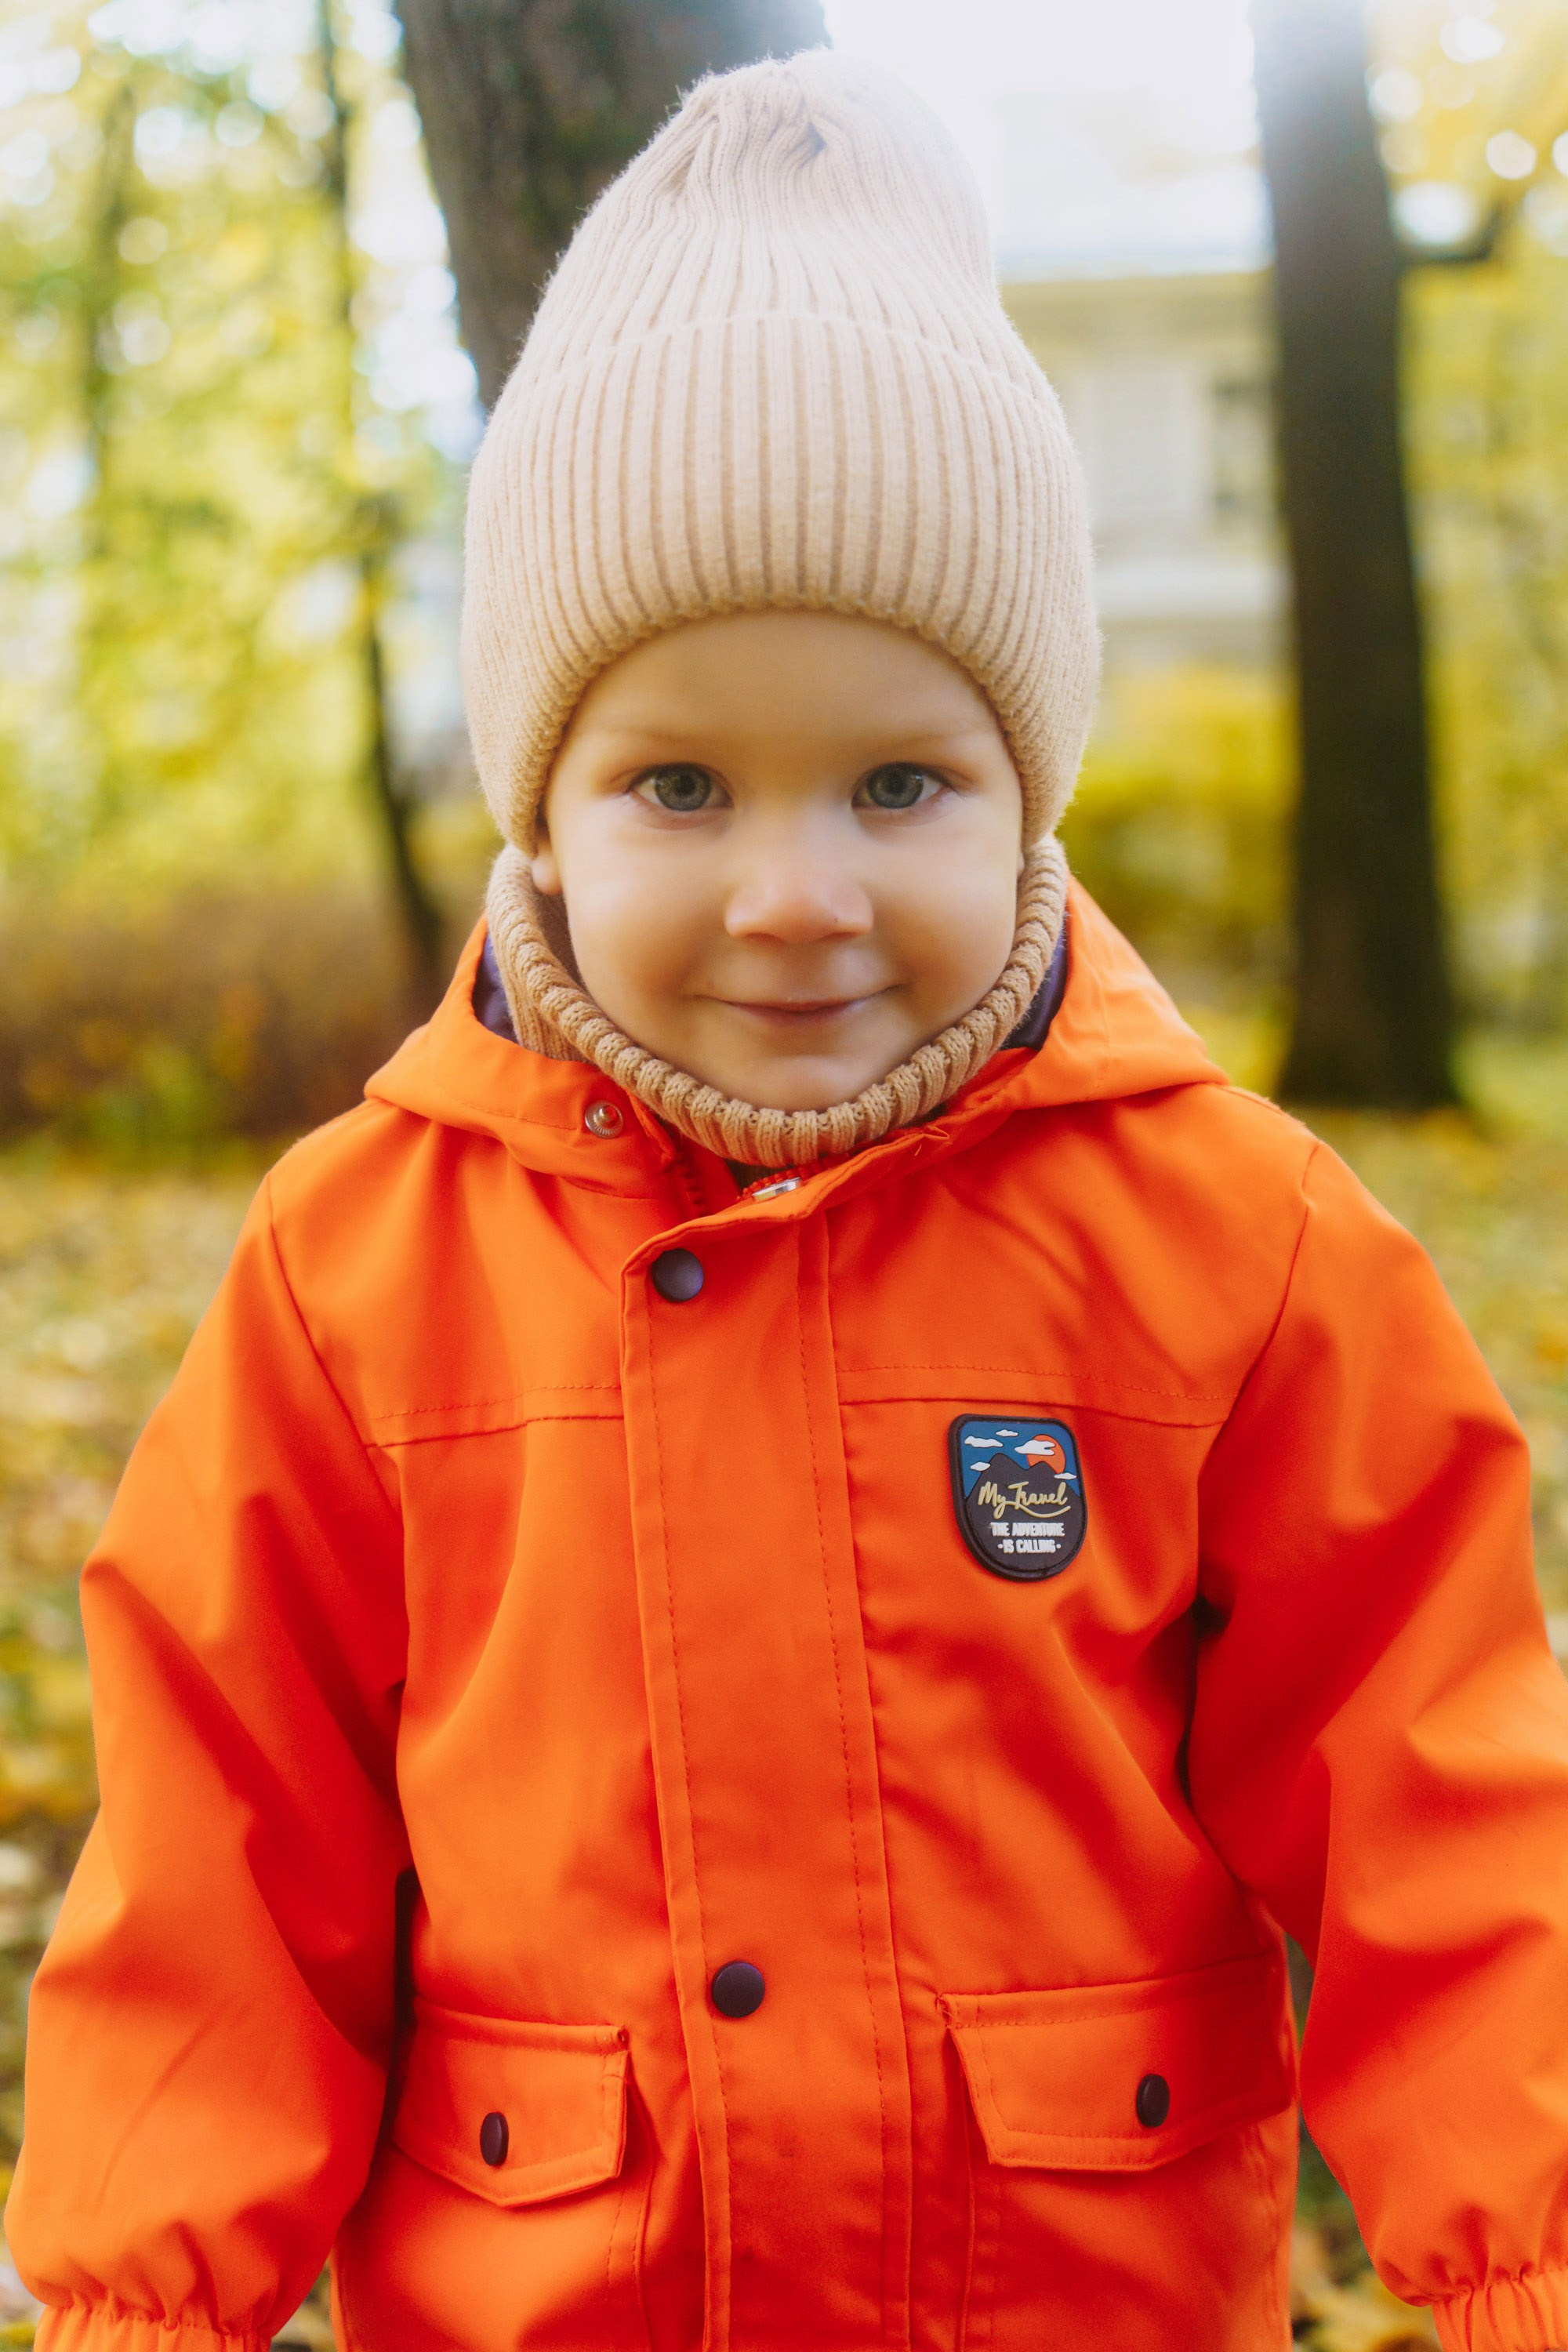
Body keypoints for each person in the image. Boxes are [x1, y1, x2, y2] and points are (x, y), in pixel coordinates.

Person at [9, 48, 1568, 2352]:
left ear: (1028, 799)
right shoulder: (362, 1273)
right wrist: (146, 2301)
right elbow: (226, 1866)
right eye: (680, 784)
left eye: (901, 781)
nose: (795, 894)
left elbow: (1451, 1812)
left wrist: (1525, 2254)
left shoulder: (1232, 1248)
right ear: (544, 813)